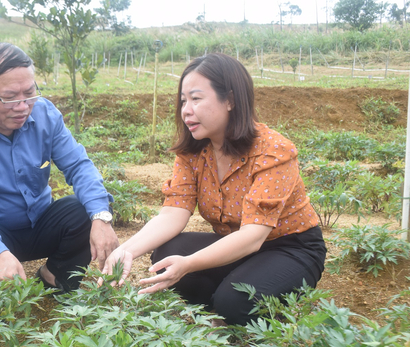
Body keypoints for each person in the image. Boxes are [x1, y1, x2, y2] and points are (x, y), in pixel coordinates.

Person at [101, 53, 327, 326]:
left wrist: (189, 264)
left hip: (290, 247)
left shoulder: (273, 150)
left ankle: (243, 299)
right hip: (235, 244)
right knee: (165, 254)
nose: (186, 110)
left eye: (196, 99)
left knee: (231, 302)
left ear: (230, 100)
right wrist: (126, 251)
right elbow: (173, 214)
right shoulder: (194, 151)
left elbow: (253, 237)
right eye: (183, 101)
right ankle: (235, 292)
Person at [0, 42, 119, 292]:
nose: (22, 106)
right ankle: (1, 292)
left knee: (83, 210)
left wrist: (101, 217)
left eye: (29, 93)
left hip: (42, 223)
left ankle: (54, 276)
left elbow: (78, 165)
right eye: (9, 97)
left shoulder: (45, 114)